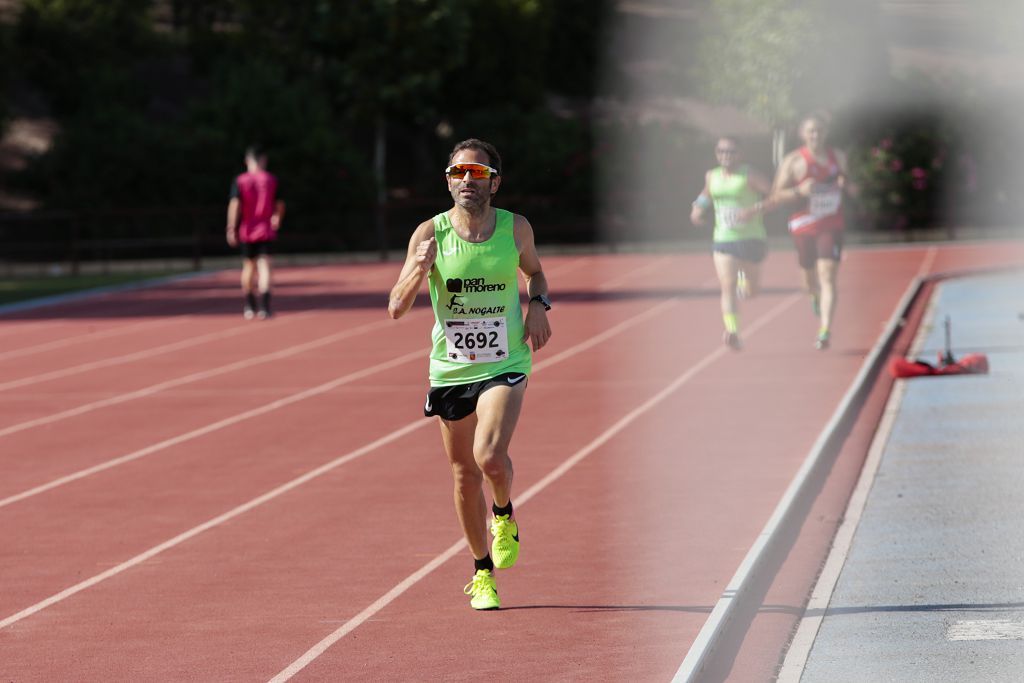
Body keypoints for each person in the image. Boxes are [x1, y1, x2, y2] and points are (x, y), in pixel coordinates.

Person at [387, 138, 552, 610]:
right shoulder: (429, 234)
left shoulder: (515, 228)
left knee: (490, 457)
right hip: (451, 369)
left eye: (476, 174)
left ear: (494, 182)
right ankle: (483, 572)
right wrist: (418, 271)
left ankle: (503, 512)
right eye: (457, 173)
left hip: (504, 362)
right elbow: (396, 308)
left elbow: (535, 274)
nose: (465, 181)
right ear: (447, 180)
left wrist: (538, 305)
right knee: (463, 476)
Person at [768, 113, 859, 349]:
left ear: (825, 133)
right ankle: (813, 296)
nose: (815, 135)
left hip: (831, 224)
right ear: (803, 134)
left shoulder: (837, 157)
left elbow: (853, 188)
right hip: (803, 225)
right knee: (809, 279)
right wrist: (799, 191)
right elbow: (776, 196)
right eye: (811, 131)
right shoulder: (794, 161)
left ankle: (825, 329)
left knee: (828, 276)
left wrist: (845, 185)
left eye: (819, 130)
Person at [690, 136, 772, 350]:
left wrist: (752, 210)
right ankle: (733, 330)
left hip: (752, 238)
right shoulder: (712, 176)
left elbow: (774, 197)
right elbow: (706, 194)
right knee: (727, 285)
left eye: (730, 151)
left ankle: (748, 283)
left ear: (740, 154)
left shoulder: (749, 175)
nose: (725, 155)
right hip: (724, 238)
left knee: (752, 291)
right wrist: (697, 208)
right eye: (721, 151)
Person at [226, 145, 285, 319]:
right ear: (263, 160)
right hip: (265, 230)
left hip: (247, 230)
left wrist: (231, 227)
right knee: (265, 266)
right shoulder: (271, 180)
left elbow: (234, 205)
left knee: (248, 267)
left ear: (247, 160)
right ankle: (265, 307)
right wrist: (277, 218)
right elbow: (280, 204)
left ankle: (250, 305)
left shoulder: (240, 180)